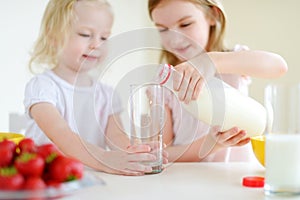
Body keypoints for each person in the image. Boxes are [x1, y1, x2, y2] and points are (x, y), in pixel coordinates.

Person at [24, 0, 167, 176]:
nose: (96, 44)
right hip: (46, 180)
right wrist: (102, 158)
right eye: (85, 34)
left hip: (88, 178)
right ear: (53, 37)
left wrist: (137, 152)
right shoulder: (42, 87)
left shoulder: (106, 95)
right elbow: (61, 134)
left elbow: (116, 137)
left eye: (104, 37)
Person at [148, 0, 288, 162]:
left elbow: (279, 66)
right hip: (187, 181)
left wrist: (212, 61)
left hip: (235, 179)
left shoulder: (232, 61)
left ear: (213, 15)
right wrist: (211, 144)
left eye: (185, 24)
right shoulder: (163, 85)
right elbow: (161, 153)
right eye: (163, 29)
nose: (175, 40)